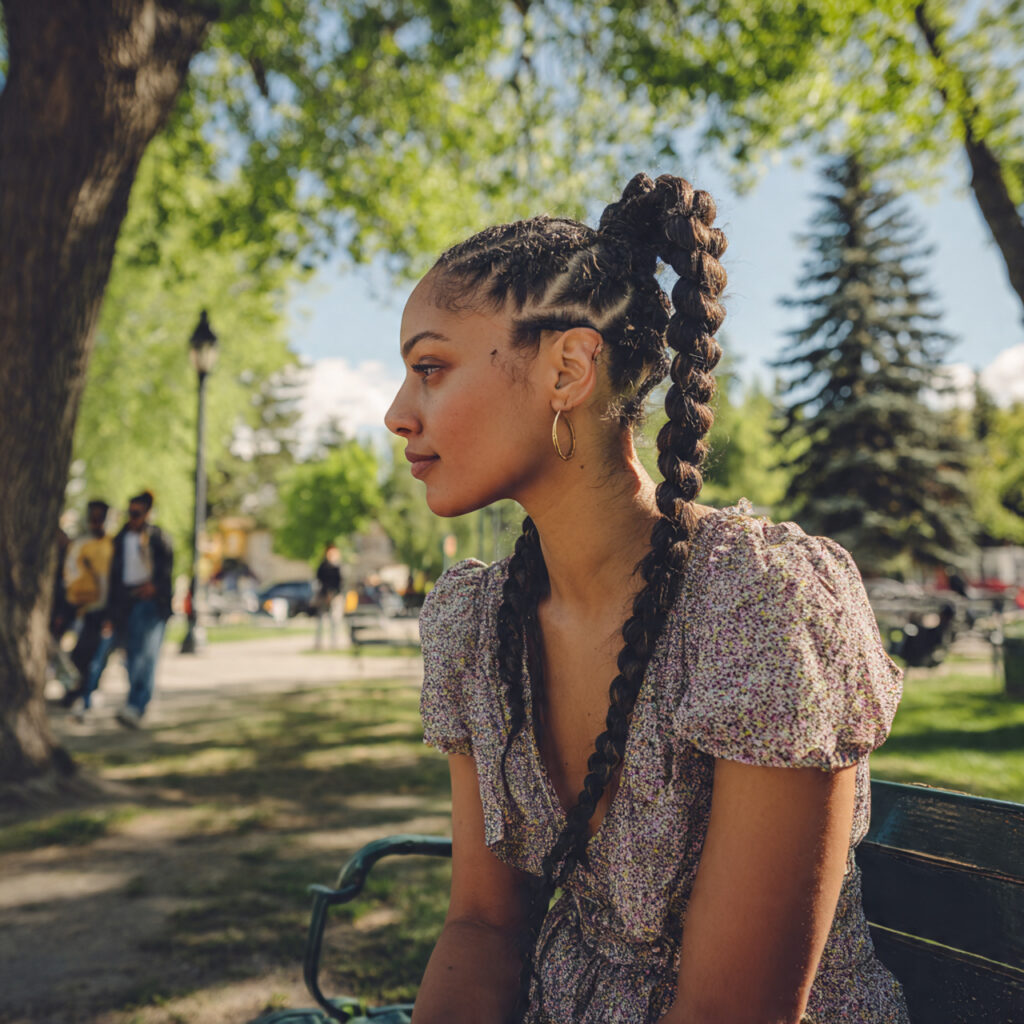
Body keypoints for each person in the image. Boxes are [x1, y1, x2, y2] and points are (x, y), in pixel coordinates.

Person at [384, 174, 910, 1024]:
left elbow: (731, 1014)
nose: (397, 414)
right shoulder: (479, 627)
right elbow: (482, 927)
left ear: (568, 369)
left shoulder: (758, 607)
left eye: (430, 368)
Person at [86, 490, 173, 727]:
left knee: (146, 656)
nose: (133, 517)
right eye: (130, 512)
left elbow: (166, 572)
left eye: (137, 513)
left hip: (151, 603)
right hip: (126, 602)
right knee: (130, 656)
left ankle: (137, 705)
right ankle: (127, 701)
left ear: (147, 513)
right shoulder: (120, 538)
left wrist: (155, 588)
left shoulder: (158, 538)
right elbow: (114, 577)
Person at [62, 499, 114, 714]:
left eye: (100, 517)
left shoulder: (112, 545)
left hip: (104, 608)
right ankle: (73, 692)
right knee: (78, 653)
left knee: (98, 655)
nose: (96, 522)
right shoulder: (80, 545)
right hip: (81, 607)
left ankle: (87, 693)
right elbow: (69, 575)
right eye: (93, 517)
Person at [314, 543, 344, 649]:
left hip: (335, 596)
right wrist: (325, 593)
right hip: (324, 595)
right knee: (321, 619)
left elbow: (340, 582)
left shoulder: (338, 566)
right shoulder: (323, 566)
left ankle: (334, 643)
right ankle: (319, 643)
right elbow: (319, 580)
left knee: (335, 620)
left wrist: (334, 594)